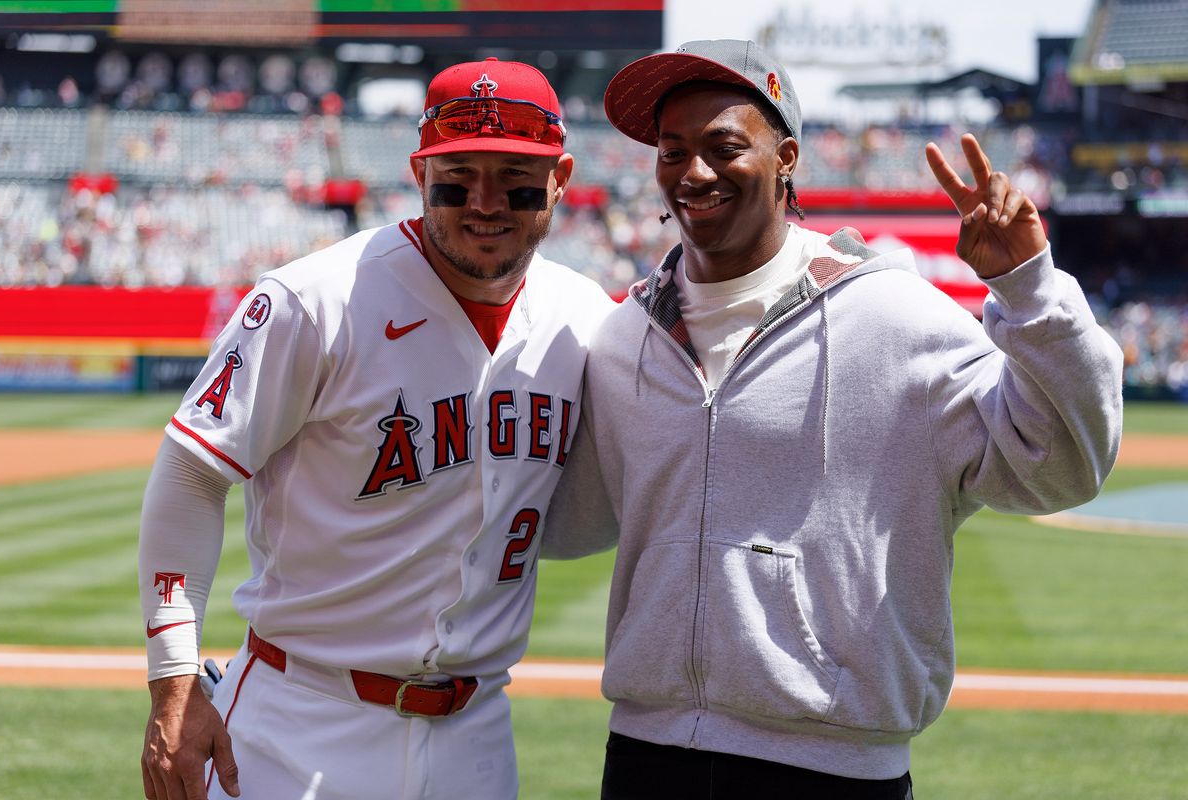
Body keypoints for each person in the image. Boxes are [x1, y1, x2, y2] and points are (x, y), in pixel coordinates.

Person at [543, 40, 1123, 799]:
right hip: (646, 756)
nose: (693, 172)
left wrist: (1031, 289)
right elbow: (566, 516)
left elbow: (1061, 465)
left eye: (723, 146)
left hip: (833, 771)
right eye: (672, 149)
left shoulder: (891, 315)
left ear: (786, 156)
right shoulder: (625, 336)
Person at [138, 57, 613, 800]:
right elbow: (192, 471)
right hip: (301, 718)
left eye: (514, 175)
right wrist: (172, 677)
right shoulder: (314, 300)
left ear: (560, 177)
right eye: (459, 173)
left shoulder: (589, 321)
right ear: (419, 173)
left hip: (477, 731)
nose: (485, 201)